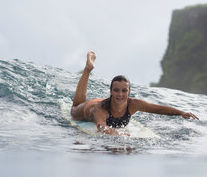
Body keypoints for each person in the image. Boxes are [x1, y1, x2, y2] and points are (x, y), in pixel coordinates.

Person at [70, 51, 199, 136]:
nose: (120, 94)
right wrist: (118, 134)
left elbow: (158, 108)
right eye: (116, 90)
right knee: (75, 107)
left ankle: (88, 70)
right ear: (110, 92)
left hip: (110, 103)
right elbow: (101, 127)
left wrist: (181, 112)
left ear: (129, 92)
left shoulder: (133, 104)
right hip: (89, 108)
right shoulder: (100, 109)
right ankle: (87, 70)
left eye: (124, 90)